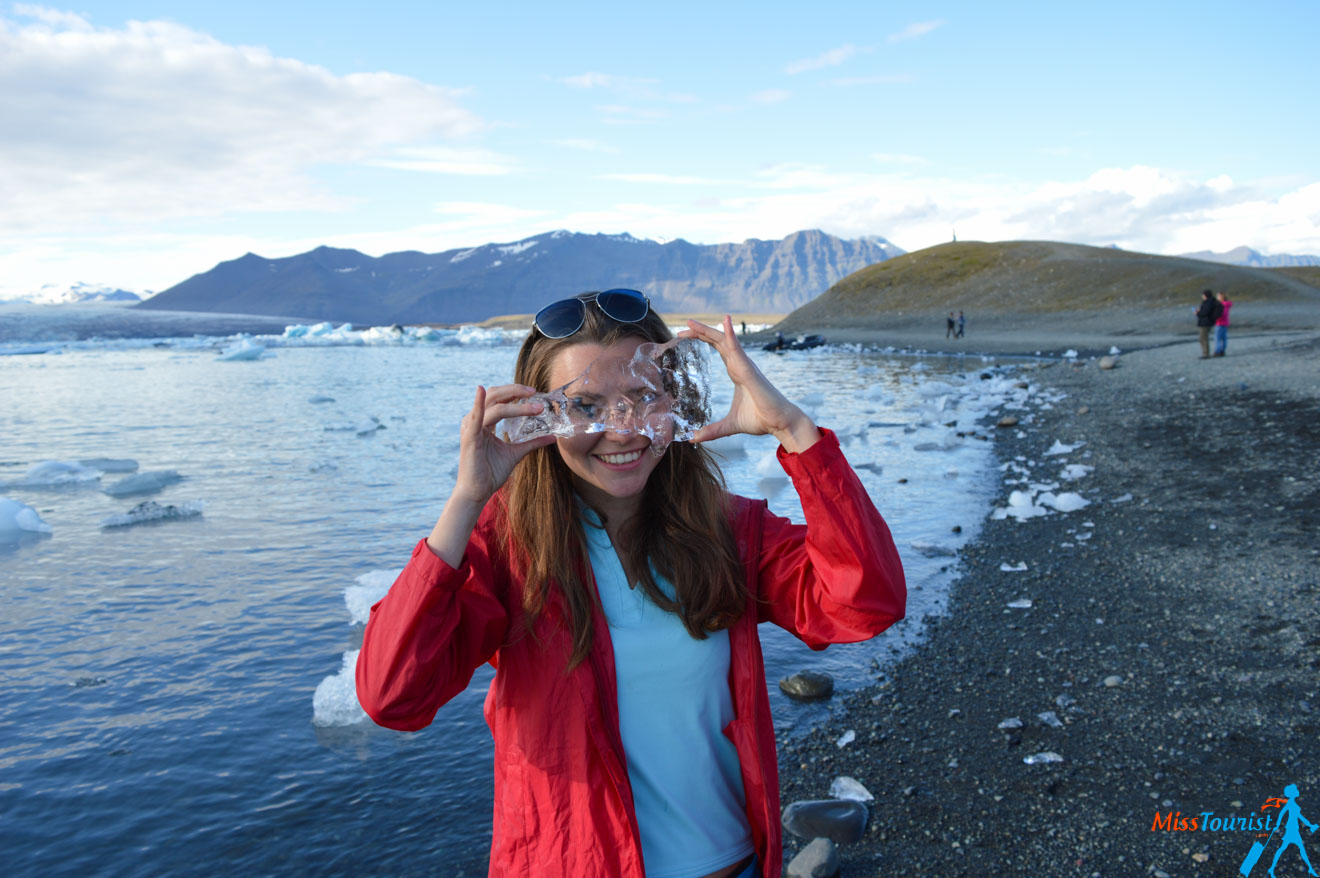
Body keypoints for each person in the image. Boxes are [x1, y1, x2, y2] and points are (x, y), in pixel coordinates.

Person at [356, 289, 906, 878]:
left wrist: (794, 429)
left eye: (644, 397)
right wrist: (467, 500)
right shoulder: (507, 551)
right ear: (540, 414)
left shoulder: (728, 532)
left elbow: (864, 604)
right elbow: (393, 695)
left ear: (676, 397)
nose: (622, 430)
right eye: (585, 403)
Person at [1267, 783, 1317, 878]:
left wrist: (1310, 825)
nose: (1298, 791)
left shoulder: (1293, 804)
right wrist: (1277, 824)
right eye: (1296, 790)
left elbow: (1300, 817)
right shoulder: (1290, 803)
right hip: (1291, 829)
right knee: (1290, 849)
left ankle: (1272, 868)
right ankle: (1272, 868)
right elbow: (1282, 813)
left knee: (1296, 849)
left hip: (1294, 829)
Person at [1194, 289, 1223, 359]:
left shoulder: (1208, 302)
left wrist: (1198, 313)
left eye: (1203, 295)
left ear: (1205, 295)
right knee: (1204, 338)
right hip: (1208, 322)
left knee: (1203, 338)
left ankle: (1206, 353)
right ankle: (1206, 353)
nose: (1202, 296)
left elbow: (1205, 313)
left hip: (1205, 322)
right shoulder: (1212, 301)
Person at [1213, 291, 1232, 357]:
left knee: (1217, 338)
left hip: (1220, 322)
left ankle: (1218, 351)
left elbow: (1220, 314)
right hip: (1225, 322)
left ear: (1222, 297)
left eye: (1218, 296)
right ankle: (1222, 350)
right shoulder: (1227, 304)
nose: (1217, 297)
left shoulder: (1221, 305)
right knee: (1223, 338)